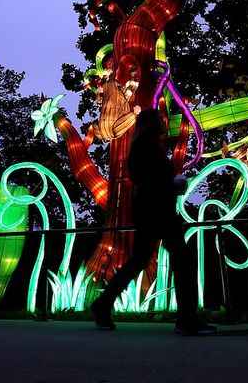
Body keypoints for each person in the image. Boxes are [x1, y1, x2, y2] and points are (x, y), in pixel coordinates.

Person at [90, 109, 216, 335]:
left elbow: (145, 178)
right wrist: (174, 184)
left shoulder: (142, 147)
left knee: (140, 259)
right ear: (151, 124)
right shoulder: (148, 148)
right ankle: (187, 318)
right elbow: (153, 180)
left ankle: (103, 304)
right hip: (158, 208)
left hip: (148, 208)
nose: (163, 123)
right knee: (182, 257)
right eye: (159, 120)